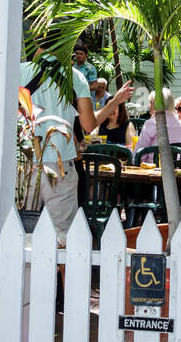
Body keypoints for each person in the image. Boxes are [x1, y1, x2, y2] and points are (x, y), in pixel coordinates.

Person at [20, 43, 133, 235]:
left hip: (23, 163)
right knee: (62, 235)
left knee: (18, 231)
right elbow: (89, 125)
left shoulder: (19, 71)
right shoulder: (75, 77)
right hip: (59, 163)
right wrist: (115, 102)